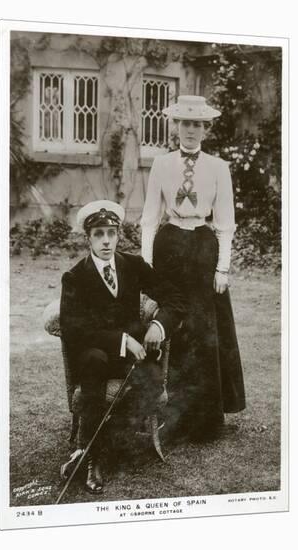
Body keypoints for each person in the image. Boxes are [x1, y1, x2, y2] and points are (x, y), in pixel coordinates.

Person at [59, 200, 185, 494]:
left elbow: (176, 299)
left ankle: (90, 446)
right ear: (88, 238)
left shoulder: (134, 266)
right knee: (93, 361)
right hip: (98, 355)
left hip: (134, 357)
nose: (106, 241)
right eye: (99, 234)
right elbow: (73, 329)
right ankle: (93, 459)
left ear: (118, 235)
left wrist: (159, 325)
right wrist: (121, 340)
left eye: (111, 233)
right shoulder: (75, 277)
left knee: (152, 384)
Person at [140, 95, 245, 443]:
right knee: (174, 325)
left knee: (203, 331)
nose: (190, 130)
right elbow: (149, 219)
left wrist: (223, 267)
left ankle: (205, 421)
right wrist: (146, 267)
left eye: (197, 124)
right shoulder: (161, 164)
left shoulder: (219, 168)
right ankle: (171, 416)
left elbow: (226, 223)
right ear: (175, 126)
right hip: (169, 246)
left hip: (203, 248)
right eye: (185, 123)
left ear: (206, 128)